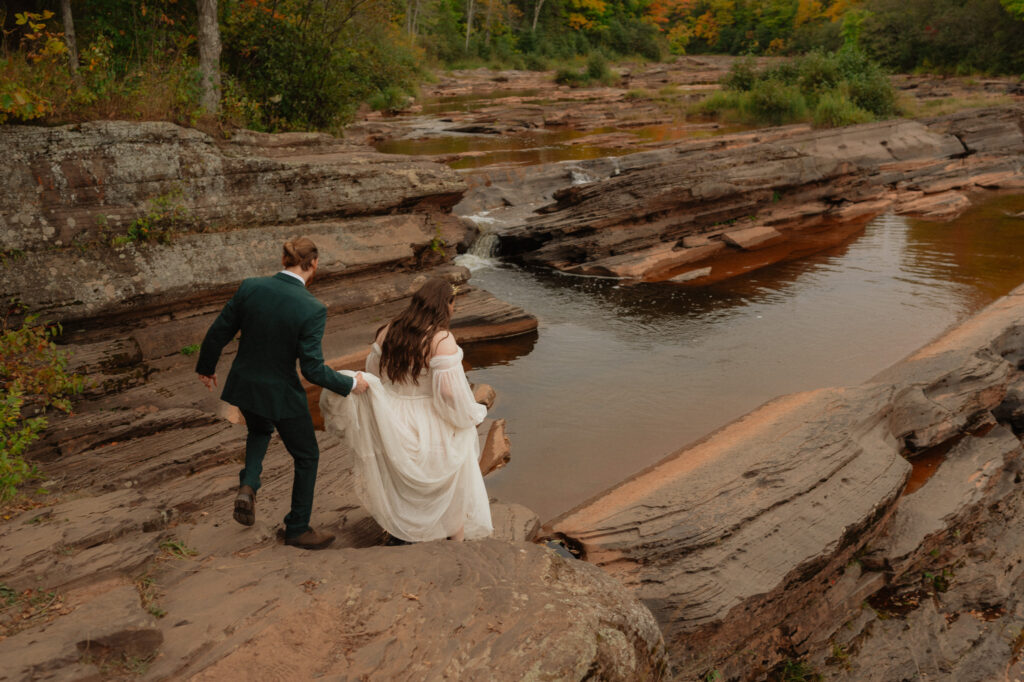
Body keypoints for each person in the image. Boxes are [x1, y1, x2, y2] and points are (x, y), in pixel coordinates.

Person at [195, 237, 369, 550]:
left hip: (244, 384)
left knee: (259, 429)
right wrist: (352, 384)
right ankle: (297, 528)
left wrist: (206, 368)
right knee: (307, 456)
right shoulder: (312, 308)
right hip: (282, 394)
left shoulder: (251, 287)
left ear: (283, 258)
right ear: (313, 264)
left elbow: (219, 330)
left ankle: (249, 484)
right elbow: (312, 370)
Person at [320, 278, 493, 543]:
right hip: (427, 417)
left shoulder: (388, 330)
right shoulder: (441, 339)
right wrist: (470, 415)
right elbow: (449, 393)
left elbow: (376, 375)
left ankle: (401, 532)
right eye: (453, 303)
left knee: (401, 480)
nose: (454, 309)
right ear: (444, 305)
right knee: (453, 475)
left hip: (391, 418)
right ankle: (455, 541)